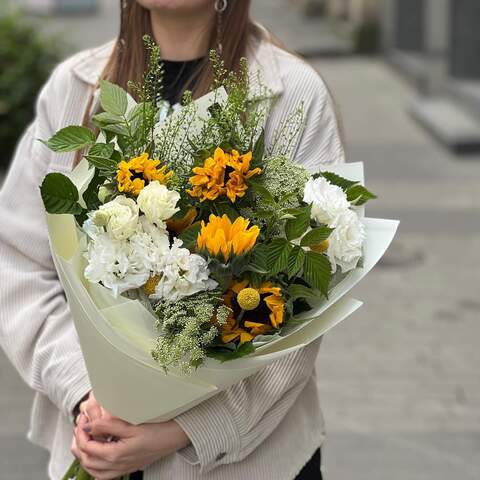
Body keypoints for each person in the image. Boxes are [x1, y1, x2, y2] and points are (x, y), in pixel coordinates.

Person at [0, 1, 344, 479]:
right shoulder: (73, 90)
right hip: (97, 443)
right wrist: (87, 391)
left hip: (253, 462)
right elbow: (20, 265)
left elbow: (307, 299)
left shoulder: (293, 94)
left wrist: (191, 428)